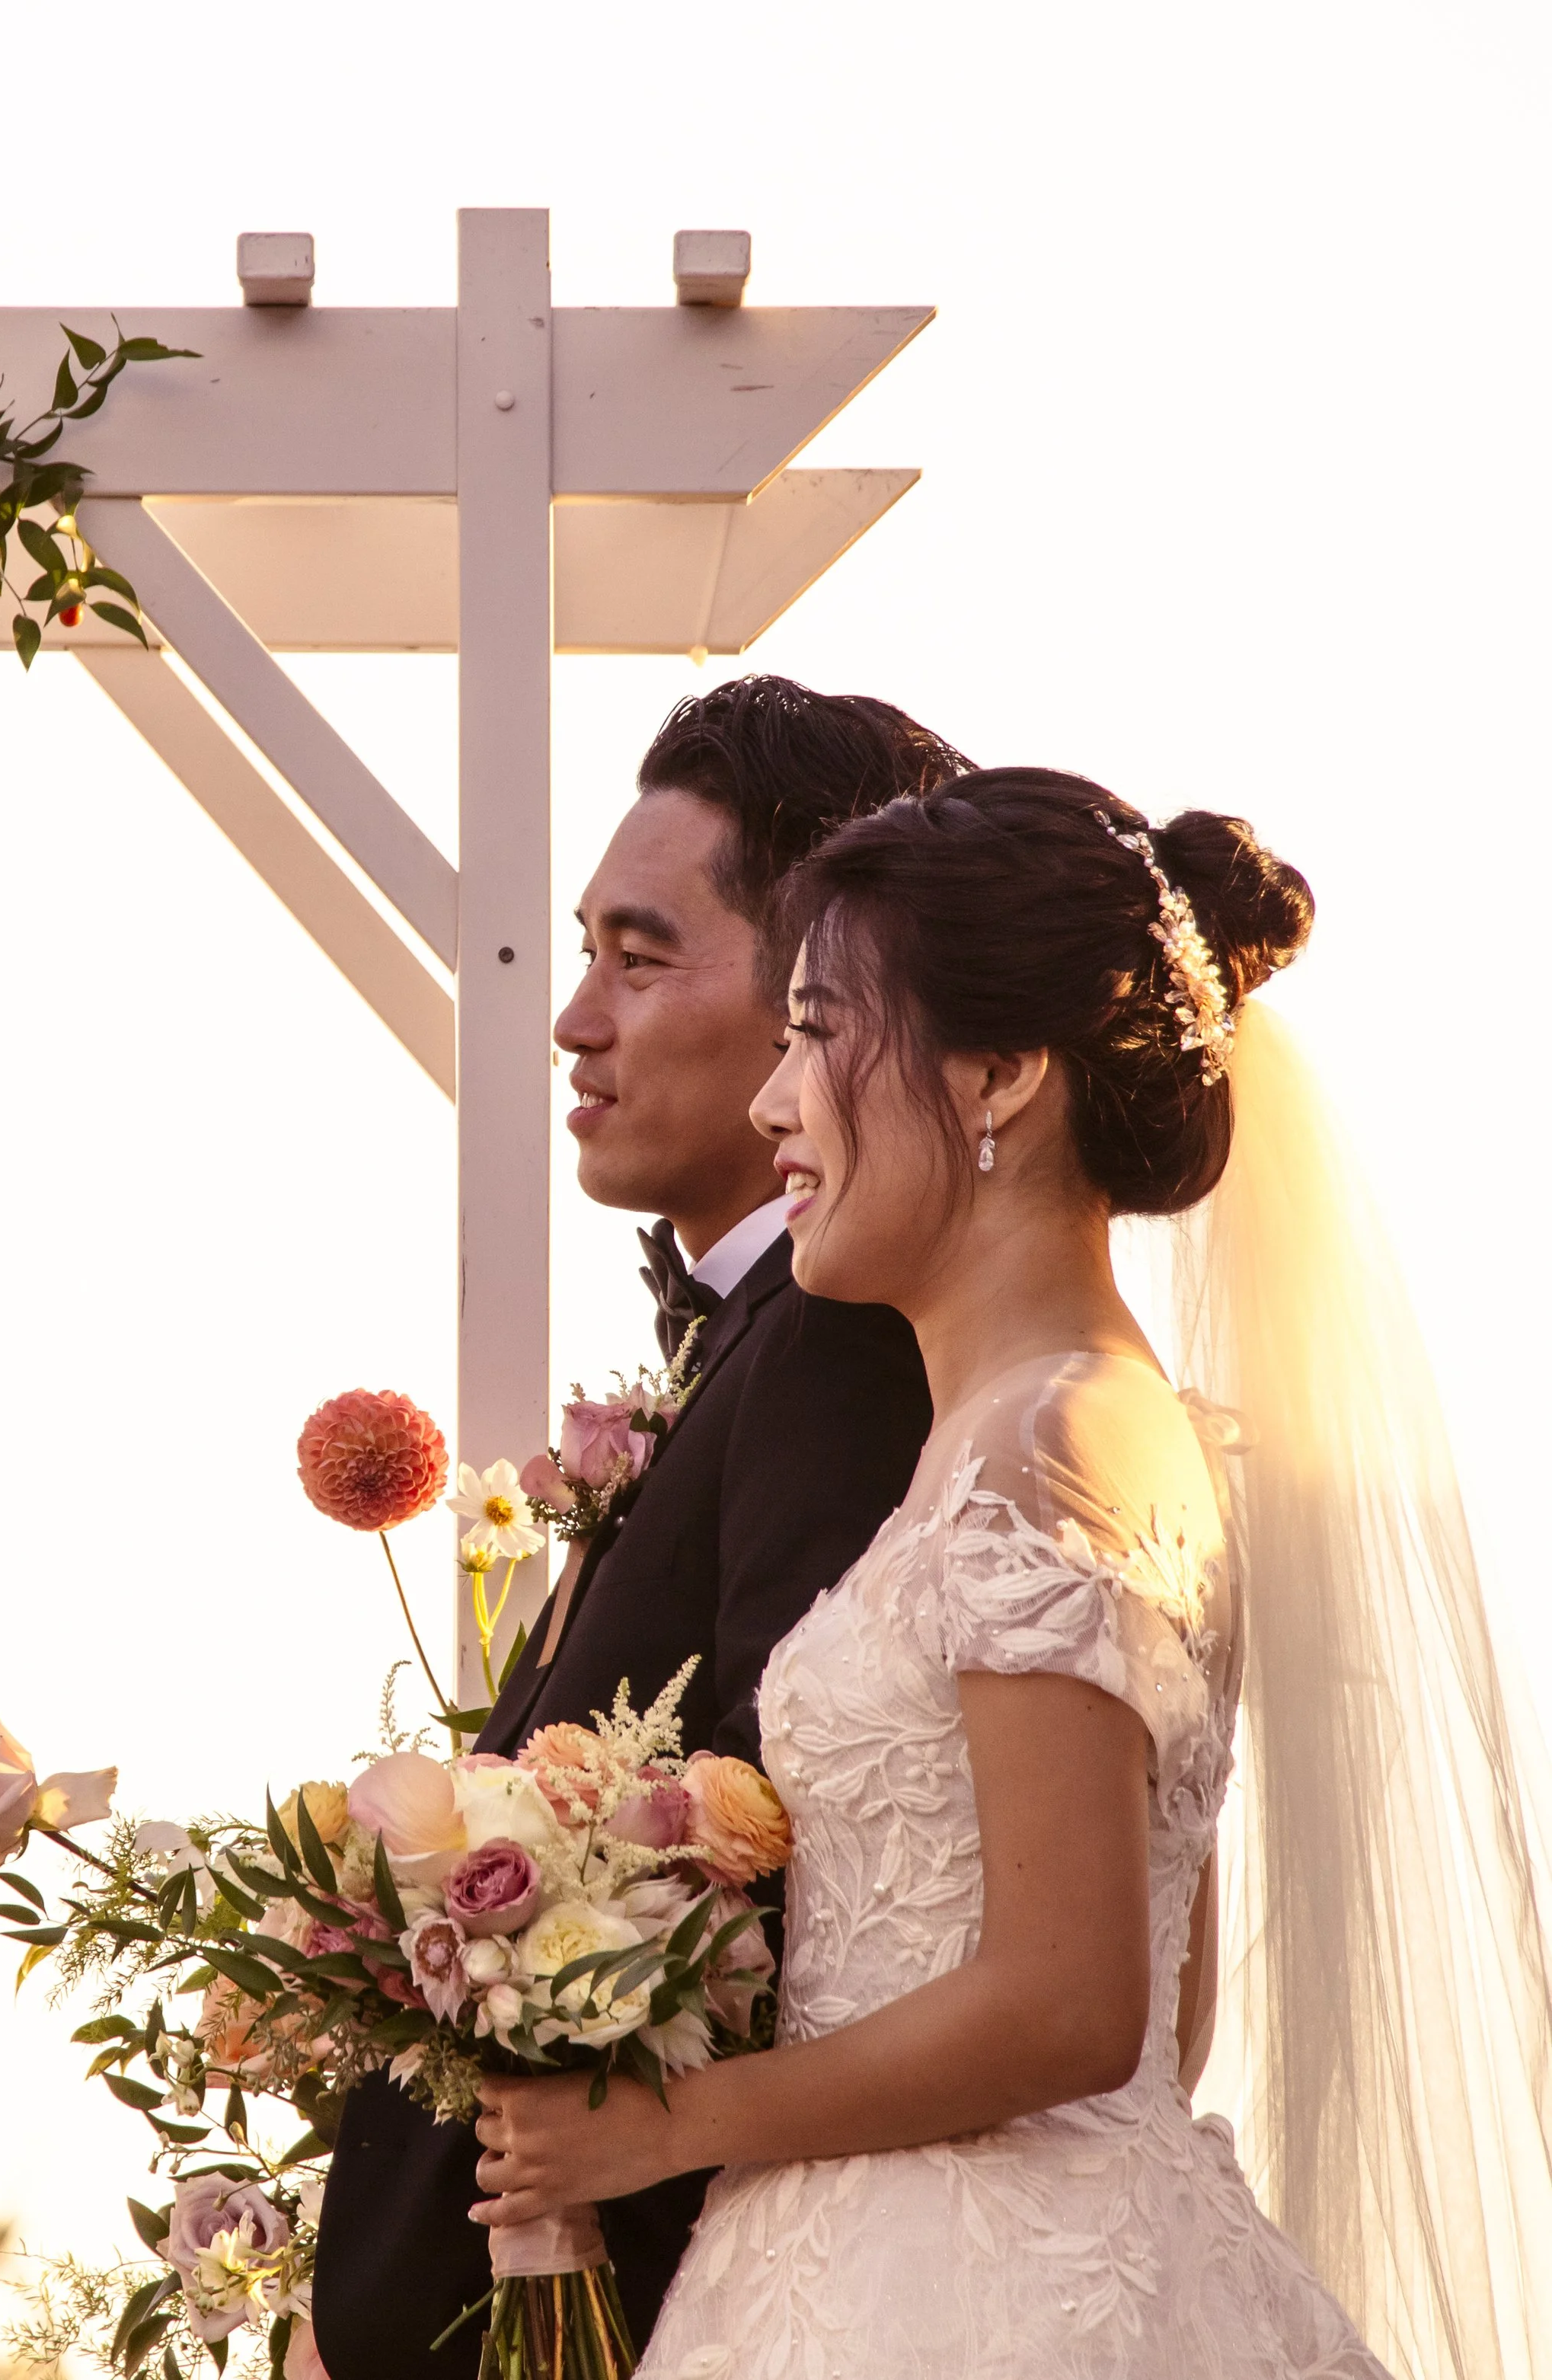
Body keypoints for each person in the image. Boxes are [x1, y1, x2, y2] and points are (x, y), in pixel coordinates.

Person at [469, 769, 1552, 2375]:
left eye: (817, 1034)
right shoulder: (1074, 1425)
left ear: (995, 1073)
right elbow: (1160, 2007)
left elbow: (1070, 2005)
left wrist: (655, 2123)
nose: (776, 1104)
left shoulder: (1036, 1450)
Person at [309, 678, 968, 2377]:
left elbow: (779, 1893)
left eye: (639, 952)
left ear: (837, 993)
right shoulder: (739, 1350)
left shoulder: (840, 1358)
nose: (573, 1017)